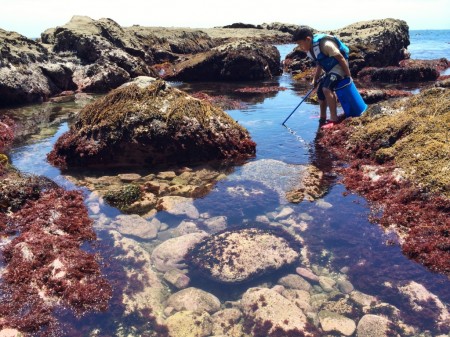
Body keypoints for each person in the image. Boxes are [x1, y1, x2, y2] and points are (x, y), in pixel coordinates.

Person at [292, 27, 352, 128]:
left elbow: (340, 57)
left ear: (308, 39)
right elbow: (320, 63)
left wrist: (348, 75)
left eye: (300, 43)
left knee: (327, 88)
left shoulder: (325, 45)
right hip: (329, 69)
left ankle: (334, 119)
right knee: (320, 91)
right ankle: (323, 116)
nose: (300, 47)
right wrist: (315, 79)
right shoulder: (310, 50)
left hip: (339, 67)